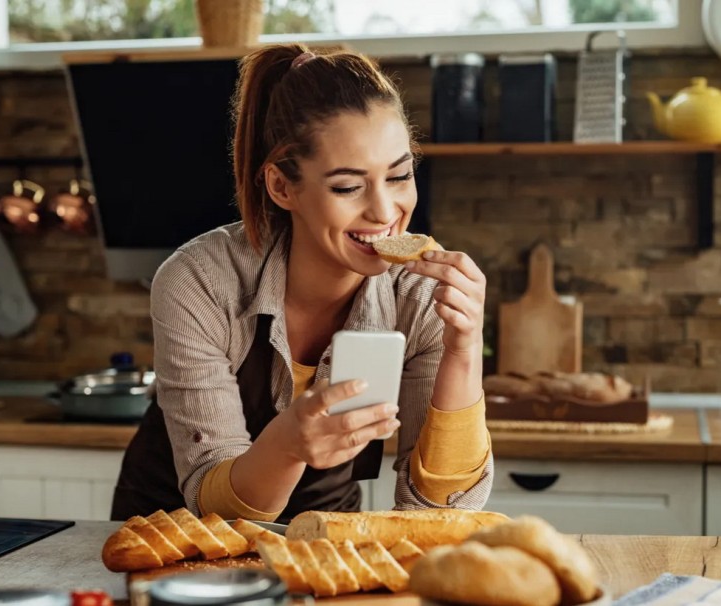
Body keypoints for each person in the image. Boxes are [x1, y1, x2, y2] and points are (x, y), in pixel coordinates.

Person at [111, 43, 493, 523]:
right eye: (348, 187)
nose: (384, 211)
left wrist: (463, 348)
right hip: (173, 535)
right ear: (282, 187)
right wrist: (288, 444)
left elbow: (439, 513)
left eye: (399, 176)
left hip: (322, 532)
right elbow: (217, 510)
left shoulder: (420, 296)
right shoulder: (199, 282)